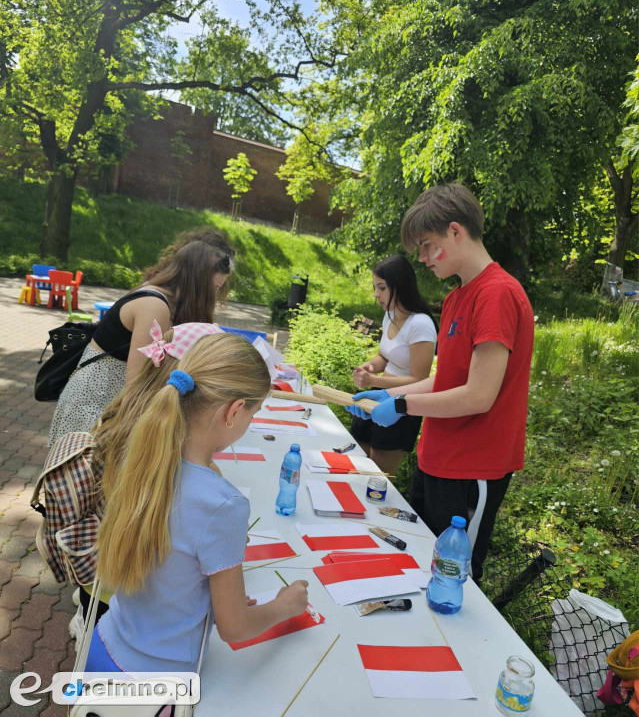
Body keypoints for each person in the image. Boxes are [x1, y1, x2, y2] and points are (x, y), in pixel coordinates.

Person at [84, 332, 308, 674]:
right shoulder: (223, 503)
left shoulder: (143, 458)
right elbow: (235, 629)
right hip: (155, 680)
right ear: (233, 411)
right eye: (254, 413)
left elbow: (168, 565)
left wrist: (219, 601)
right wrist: (284, 606)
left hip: (103, 645)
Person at [347, 183, 534, 581]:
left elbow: (479, 396)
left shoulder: (497, 294)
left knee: (452, 573)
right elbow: (443, 381)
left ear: (455, 231)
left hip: (473, 466)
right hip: (437, 457)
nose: (422, 257)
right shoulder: (455, 298)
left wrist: (398, 405)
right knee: (418, 561)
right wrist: (384, 392)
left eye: (427, 244)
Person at [47, 232, 235, 446]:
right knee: (79, 477)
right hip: (95, 406)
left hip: (109, 405)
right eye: (217, 287)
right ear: (199, 282)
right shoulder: (154, 306)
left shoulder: (161, 298)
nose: (216, 295)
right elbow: (138, 383)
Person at [350, 255, 437, 475]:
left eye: (381, 288)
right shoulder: (389, 315)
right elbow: (384, 357)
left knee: (378, 474)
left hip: (400, 404)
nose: (376, 294)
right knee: (357, 456)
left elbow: (420, 379)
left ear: (399, 286)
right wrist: (370, 366)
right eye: (374, 287)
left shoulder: (421, 324)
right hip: (378, 392)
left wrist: (374, 380)